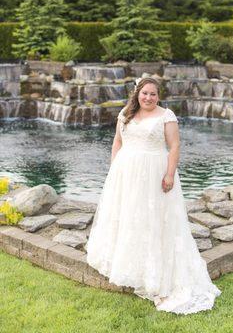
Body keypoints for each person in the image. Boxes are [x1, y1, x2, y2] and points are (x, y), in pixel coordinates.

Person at [86, 77, 222, 315]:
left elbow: (175, 146)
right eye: (145, 93)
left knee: (153, 221)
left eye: (153, 94)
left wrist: (169, 174)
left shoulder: (166, 116)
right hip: (125, 173)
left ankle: (155, 275)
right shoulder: (125, 114)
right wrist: (113, 170)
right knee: (129, 217)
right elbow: (117, 142)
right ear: (137, 94)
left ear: (158, 96)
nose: (148, 98)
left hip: (154, 173)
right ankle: (129, 263)